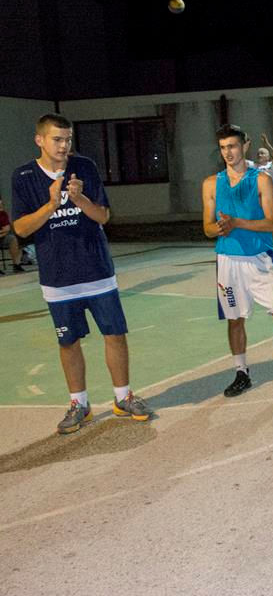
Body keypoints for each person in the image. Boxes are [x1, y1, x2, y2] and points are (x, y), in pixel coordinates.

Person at [11, 113, 152, 434]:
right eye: (57, 139)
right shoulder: (23, 176)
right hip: (58, 277)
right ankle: (79, 404)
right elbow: (21, 228)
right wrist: (51, 205)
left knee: (115, 335)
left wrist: (79, 198)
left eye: (68, 139)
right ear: (39, 140)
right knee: (69, 342)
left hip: (96, 269)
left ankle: (123, 397)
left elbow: (102, 216)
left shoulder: (85, 167)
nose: (64, 146)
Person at [201, 124, 273, 398]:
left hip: (260, 258)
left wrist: (236, 223)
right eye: (223, 148)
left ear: (244, 146)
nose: (228, 152)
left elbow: (272, 224)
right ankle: (241, 372)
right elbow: (207, 228)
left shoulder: (261, 180)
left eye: (232, 146)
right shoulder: (211, 183)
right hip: (228, 261)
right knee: (235, 320)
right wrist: (219, 228)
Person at [0, 198, 27, 273]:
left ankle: (16, 264)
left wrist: (2, 233)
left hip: (2, 237)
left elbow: (7, 229)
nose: (1, 205)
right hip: (2, 234)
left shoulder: (3, 214)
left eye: (1, 204)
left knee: (13, 239)